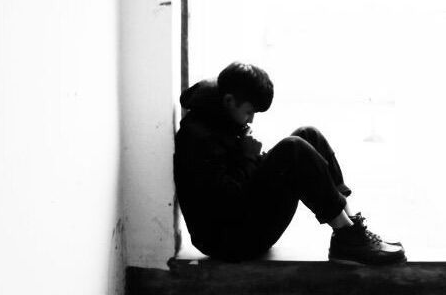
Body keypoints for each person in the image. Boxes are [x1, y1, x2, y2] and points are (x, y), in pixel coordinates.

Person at [174, 62, 406, 265]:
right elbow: (227, 200)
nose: (251, 119)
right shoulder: (197, 138)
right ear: (228, 100)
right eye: (249, 112)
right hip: (228, 241)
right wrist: (249, 156)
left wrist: (254, 158)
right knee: (293, 148)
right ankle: (348, 238)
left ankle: (351, 230)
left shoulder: (223, 116)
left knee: (308, 135)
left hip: (241, 221)